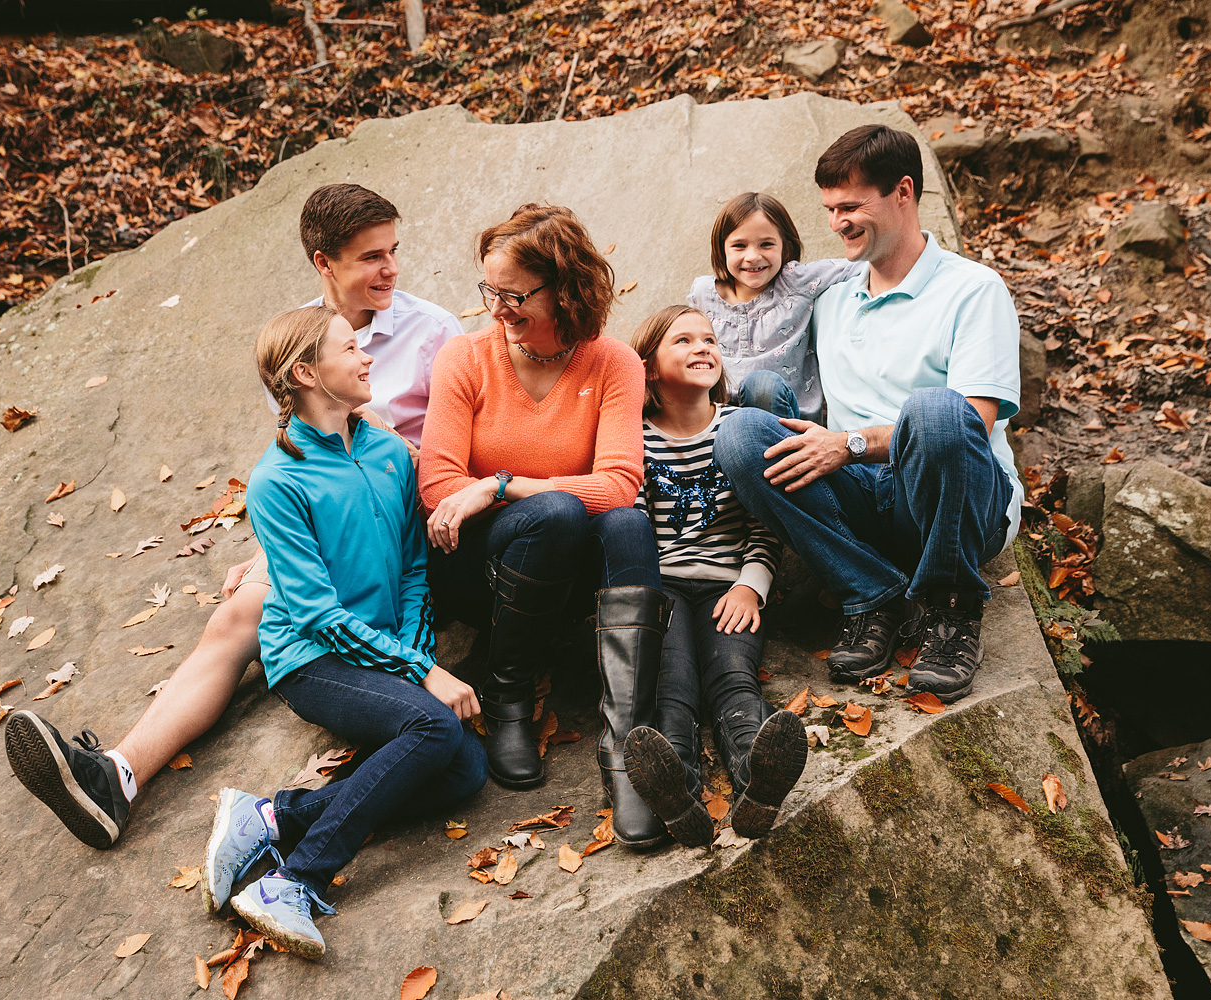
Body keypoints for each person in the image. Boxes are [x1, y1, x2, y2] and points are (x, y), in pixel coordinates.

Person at [3, 184, 462, 850]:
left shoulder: (434, 332)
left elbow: (454, 450)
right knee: (240, 611)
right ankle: (116, 777)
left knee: (256, 608)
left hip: (401, 524)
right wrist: (281, 538)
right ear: (322, 263)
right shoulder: (299, 340)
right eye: (370, 258)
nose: (391, 270)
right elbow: (295, 459)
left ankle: (220, 800)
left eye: (394, 252)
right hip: (331, 528)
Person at [206, 305, 485, 960]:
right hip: (311, 659)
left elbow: (416, 571)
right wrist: (425, 676)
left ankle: (273, 816)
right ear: (306, 372)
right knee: (435, 729)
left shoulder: (390, 452)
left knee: (466, 769)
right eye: (350, 348)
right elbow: (316, 614)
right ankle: (294, 881)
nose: (365, 357)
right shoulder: (278, 480)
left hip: (379, 653)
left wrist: (413, 657)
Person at [715, 124, 1022, 704]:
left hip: (951, 502)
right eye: (830, 209)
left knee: (936, 411)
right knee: (739, 433)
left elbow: (973, 424)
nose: (837, 223)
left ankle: (950, 609)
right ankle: (871, 593)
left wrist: (847, 443)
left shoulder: (973, 290)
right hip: (862, 502)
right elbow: (749, 339)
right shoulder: (830, 296)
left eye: (852, 206)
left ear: (903, 192)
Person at [419, 204, 668, 848]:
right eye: (489, 292)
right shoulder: (465, 359)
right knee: (559, 512)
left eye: (513, 295)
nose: (496, 309)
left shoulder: (613, 362)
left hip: (567, 568)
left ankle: (628, 749)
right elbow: (441, 488)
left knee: (630, 528)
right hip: (478, 568)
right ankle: (509, 698)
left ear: (566, 289)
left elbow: (619, 484)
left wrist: (500, 485)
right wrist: (503, 499)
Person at [619, 306, 809, 846]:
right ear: (650, 368)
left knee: (732, 678)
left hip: (731, 586)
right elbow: (628, 525)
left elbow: (765, 520)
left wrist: (753, 584)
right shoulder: (635, 439)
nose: (703, 347)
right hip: (666, 589)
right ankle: (676, 793)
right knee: (673, 689)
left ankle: (757, 783)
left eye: (709, 338)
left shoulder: (737, 429)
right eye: (683, 341)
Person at [686, 191, 858, 422]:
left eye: (766, 244)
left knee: (762, 385)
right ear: (721, 249)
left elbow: (860, 265)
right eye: (739, 246)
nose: (753, 256)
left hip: (784, 421)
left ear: (785, 248)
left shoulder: (796, 282)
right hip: (722, 421)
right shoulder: (703, 294)